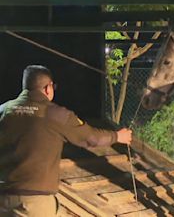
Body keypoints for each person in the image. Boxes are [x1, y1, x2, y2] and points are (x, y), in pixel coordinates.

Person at [0, 65, 133, 217]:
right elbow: (91, 138)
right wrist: (117, 136)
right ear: (48, 88)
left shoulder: (3, 110)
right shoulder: (55, 114)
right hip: (35, 204)